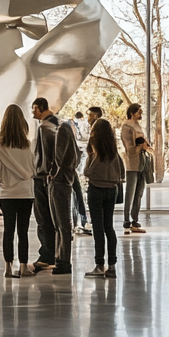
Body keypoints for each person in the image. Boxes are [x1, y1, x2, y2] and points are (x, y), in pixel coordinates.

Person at [0, 104, 36, 278]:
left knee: (8, 231)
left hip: (7, 194)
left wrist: (4, 180)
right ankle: (24, 267)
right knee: (23, 231)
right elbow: (33, 168)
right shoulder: (27, 145)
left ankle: (8, 268)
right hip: (26, 193)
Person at [83, 119, 125, 278]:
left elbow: (88, 171)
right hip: (111, 190)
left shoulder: (96, 150)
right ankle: (112, 265)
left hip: (96, 189)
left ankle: (99, 264)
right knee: (109, 227)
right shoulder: (114, 151)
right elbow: (121, 172)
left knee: (98, 228)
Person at [31, 98, 60, 272]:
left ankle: (46, 254)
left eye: (34, 109)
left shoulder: (44, 128)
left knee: (43, 217)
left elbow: (43, 156)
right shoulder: (58, 124)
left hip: (43, 178)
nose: (32, 112)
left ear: (41, 108)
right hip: (55, 178)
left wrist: (42, 174)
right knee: (54, 217)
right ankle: (55, 252)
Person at [48, 116, 80, 276]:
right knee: (62, 223)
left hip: (60, 182)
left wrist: (53, 174)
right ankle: (61, 258)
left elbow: (59, 157)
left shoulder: (61, 131)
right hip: (65, 181)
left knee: (62, 223)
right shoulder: (68, 134)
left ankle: (63, 260)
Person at [120, 103, 150, 233]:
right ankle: (126, 220)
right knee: (130, 192)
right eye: (139, 112)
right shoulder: (127, 126)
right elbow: (130, 149)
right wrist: (141, 146)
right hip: (132, 163)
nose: (141, 114)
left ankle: (135, 220)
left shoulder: (137, 125)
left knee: (139, 192)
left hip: (142, 161)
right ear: (132, 113)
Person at [63, 114, 90, 234]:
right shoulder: (74, 145)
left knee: (76, 196)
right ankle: (80, 222)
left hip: (69, 173)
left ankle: (77, 223)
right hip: (71, 172)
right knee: (76, 196)